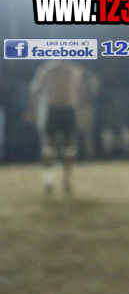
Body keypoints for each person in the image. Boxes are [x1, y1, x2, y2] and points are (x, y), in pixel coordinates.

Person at [30, 60, 87, 195]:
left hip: (69, 111)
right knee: (49, 148)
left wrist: (83, 111)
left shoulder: (75, 71)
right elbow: (36, 91)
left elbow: (81, 92)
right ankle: (48, 181)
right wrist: (32, 110)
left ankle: (67, 181)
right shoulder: (46, 70)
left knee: (69, 148)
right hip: (53, 110)